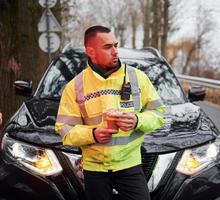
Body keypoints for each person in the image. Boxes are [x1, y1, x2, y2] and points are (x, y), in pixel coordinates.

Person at [55, 25, 166, 200]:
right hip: (94, 168)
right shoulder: (75, 87)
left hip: (130, 165)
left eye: (116, 45)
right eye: (108, 47)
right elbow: (65, 130)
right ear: (90, 51)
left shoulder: (138, 78)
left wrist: (137, 120)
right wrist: (93, 134)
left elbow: (159, 114)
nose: (115, 51)